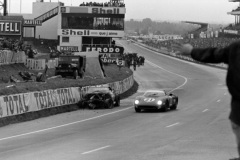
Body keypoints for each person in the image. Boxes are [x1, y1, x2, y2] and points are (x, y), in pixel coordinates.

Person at [172, 40, 240, 160]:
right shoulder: (236, 47)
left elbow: (214, 54)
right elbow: (215, 54)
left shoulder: (236, 48)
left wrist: (192, 51)